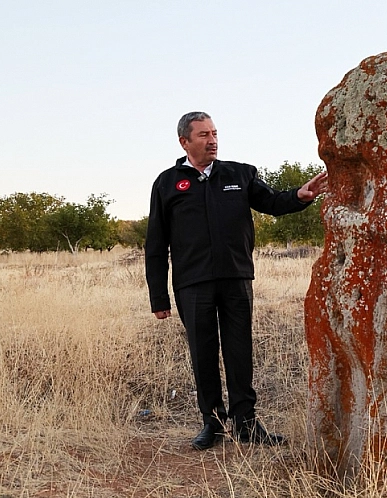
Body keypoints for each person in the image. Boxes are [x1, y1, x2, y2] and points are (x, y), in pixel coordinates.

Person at [145, 111, 328, 450]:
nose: (212, 139)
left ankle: (246, 423)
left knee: (239, 351)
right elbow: (156, 245)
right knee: (203, 353)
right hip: (192, 283)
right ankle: (212, 425)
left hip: (236, 278)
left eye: (214, 133)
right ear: (185, 141)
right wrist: (159, 298)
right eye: (203, 135)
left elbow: (271, 202)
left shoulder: (240, 174)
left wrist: (300, 196)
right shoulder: (168, 183)